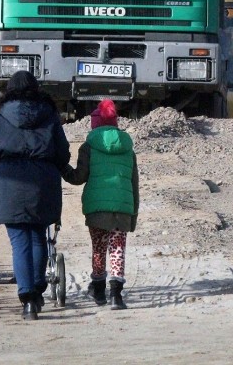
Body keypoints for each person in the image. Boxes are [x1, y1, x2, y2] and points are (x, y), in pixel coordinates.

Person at [0, 71, 70, 320]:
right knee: (39, 236)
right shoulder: (50, 115)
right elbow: (62, 153)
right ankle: (38, 291)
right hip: (43, 183)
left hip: (9, 183)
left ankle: (28, 299)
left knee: (20, 240)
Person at [63, 99, 139, 310]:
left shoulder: (88, 147)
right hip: (123, 207)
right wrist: (133, 214)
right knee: (118, 249)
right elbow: (134, 183)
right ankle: (116, 296)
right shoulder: (127, 148)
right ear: (115, 123)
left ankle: (98, 292)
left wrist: (62, 169)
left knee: (99, 249)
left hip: (97, 208)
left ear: (94, 124)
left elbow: (79, 177)